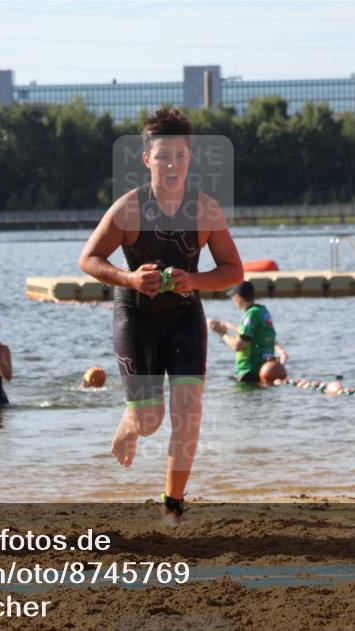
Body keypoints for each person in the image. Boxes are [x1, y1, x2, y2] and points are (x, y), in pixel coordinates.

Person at [78, 107, 243, 521]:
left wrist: (193, 280)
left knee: (189, 414)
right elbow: (89, 259)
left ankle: (172, 506)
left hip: (185, 317)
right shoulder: (128, 209)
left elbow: (233, 271)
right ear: (147, 158)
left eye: (180, 156)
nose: (172, 164)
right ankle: (133, 420)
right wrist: (130, 279)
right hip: (136, 317)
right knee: (151, 420)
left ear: (190, 159)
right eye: (163, 155)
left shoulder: (206, 211)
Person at [208, 280, 279, 384]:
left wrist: (221, 333)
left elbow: (238, 345)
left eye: (233, 297)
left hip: (249, 372)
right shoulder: (263, 311)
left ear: (238, 298)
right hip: (264, 370)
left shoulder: (251, 315)